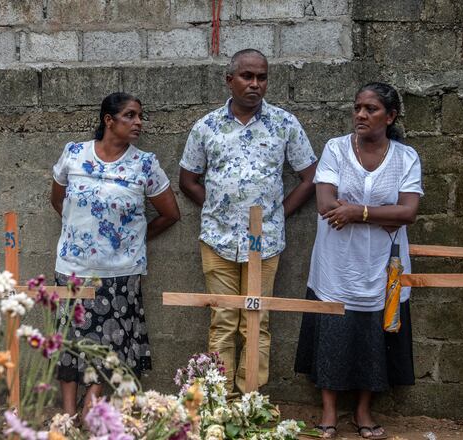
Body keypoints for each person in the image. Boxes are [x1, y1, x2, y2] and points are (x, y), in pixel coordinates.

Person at [178, 49, 317, 394]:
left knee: (256, 320)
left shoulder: (284, 123)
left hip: (264, 241)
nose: (255, 84)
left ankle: (251, 397)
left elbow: (309, 178)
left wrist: (277, 215)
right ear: (230, 80)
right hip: (217, 239)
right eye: (247, 76)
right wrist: (215, 209)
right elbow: (188, 179)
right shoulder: (206, 127)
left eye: (262, 77)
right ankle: (219, 396)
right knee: (223, 319)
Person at [294, 82, 423, 440]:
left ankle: (363, 411)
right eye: (357, 108)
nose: (361, 115)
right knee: (333, 332)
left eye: (371, 109)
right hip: (336, 262)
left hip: (382, 263)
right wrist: (383, 215)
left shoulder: (405, 157)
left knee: (373, 335)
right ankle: (330, 411)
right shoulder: (336, 149)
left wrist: (357, 212)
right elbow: (324, 203)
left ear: (391, 116)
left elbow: (409, 212)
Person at [50, 92, 180, 417]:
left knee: (109, 343)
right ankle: (66, 414)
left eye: (140, 116)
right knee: (69, 339)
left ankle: (89, 406)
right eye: (130, 115)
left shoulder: (145, 163)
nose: (138, 122)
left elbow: (170, 213)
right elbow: (59, 201)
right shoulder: (74, 154)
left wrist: (132, 239)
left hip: (120, 273)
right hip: (72, 267)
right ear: (109, 120)